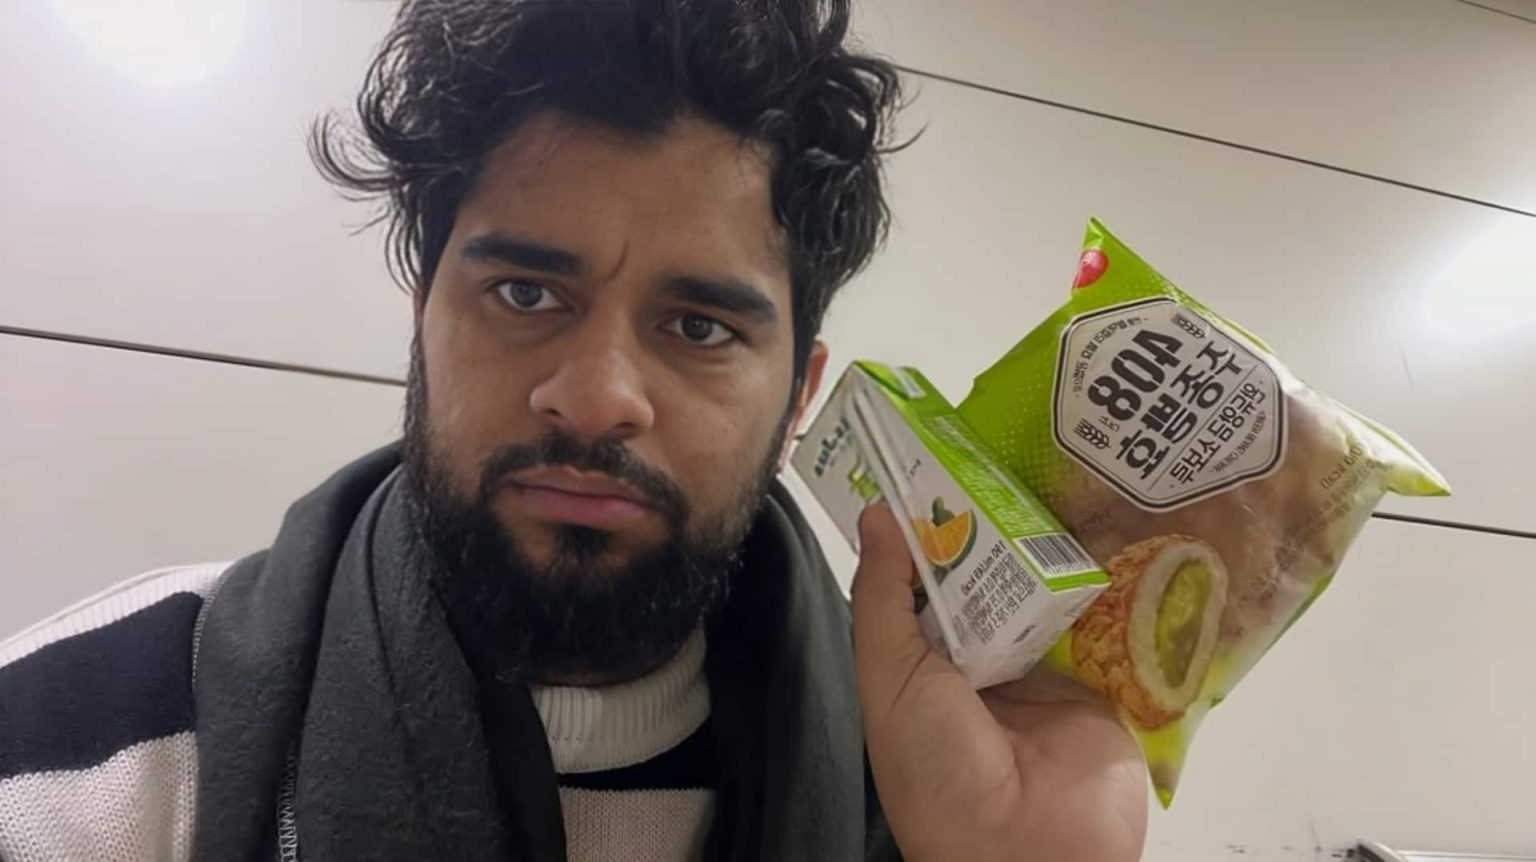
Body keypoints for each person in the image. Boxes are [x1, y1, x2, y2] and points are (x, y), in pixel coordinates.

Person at [0, 0, 1147, 859]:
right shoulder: (87, 748)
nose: (596, 398)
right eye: (525, 294)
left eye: (698, 325)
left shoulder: (925, 790)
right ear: (423, 318)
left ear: (799, 393)